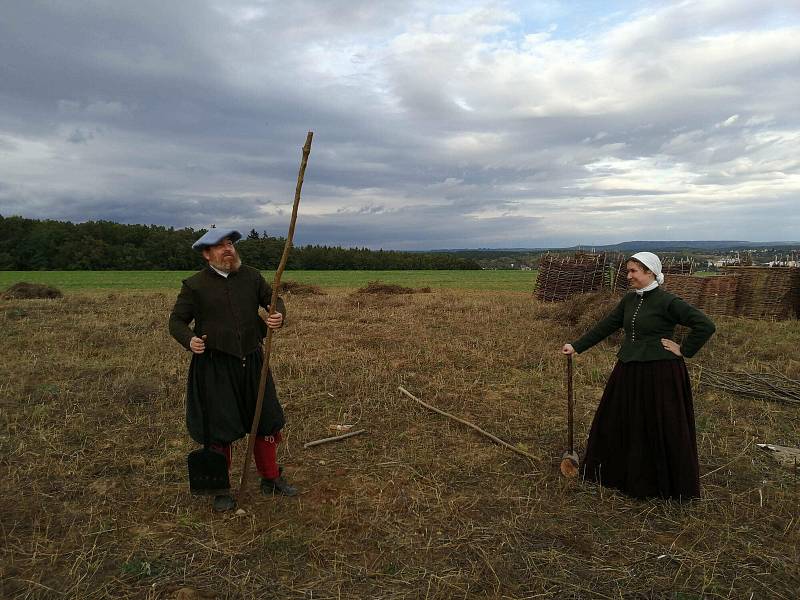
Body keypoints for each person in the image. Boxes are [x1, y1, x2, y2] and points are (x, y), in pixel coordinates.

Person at [561, 252, 715, 500]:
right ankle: (621, 474)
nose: (628, 275)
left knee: (656, 423)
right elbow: (607, 325)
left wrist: (683, 349)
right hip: (630, 369)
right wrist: (577, 346)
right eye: (629, 270)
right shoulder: (629, 300)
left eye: (633, 271)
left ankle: (657, 482)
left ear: (650, 272)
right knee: (622, 418)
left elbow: (705, 325)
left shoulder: (668, 301)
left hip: (660, 372)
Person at [169, 228, 297, 512]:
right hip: (214, 367)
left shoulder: (251, 276)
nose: (228, 249)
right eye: (219, 245)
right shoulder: (194, 285)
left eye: (230, 244)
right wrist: (189, 340)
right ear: (206, 254)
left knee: (265, 419)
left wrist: (277, 315)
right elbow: (176, 321)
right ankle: (220, 488)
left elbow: (274, 299)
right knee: (219, 428)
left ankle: (271, 478)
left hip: (252, 361)